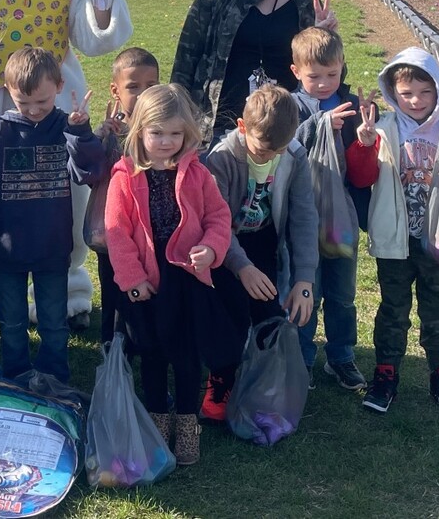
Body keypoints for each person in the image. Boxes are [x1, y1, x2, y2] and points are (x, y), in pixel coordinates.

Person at [346, 48, 439, 415]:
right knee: (393, 309)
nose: (416, 100)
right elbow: (361, 178)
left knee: (437, 310)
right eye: (407, 93)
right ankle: (385, 374)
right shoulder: (383, 131)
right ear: (392, 93)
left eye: (425, 92)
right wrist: (363, 144)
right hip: (395, 241)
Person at [0, 47, 103, 384]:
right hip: (6, 248)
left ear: (59, 86)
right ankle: (16, 374)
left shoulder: (65, 126)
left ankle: (55, 375)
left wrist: (81, 133)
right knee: (12, 320)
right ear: (6, 90)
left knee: (53, 319)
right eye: (23, 103)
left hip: (52, 245)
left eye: (42, 103)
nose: (33, 111)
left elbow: (87, 171)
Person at [105, 84, 232, 466]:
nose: (166, 142)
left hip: (187, 279)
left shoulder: (197, 174)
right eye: (157, 133)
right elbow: (118, 232)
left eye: (175, 134)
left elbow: (218, 217)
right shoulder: (124, 176)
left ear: (187, 133)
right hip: (145, 281)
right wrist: (132, 280)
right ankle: (158, 421)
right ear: (140, 130)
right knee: (153, 353)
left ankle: (187, 425)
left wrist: (210, 249)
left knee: (188, 356)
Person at [170, 0, 337, 148]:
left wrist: (325, 39)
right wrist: (176, 119)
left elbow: (330, 73)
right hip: (219, 127)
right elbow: (185, 60)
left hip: (287, 130)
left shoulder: (308, 2)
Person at [202, 84, 319, 422]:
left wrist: (305, 280)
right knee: (233, 315)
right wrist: (242, 269)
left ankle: (262, 385)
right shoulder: (221, 158)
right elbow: (217, 223)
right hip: (225, 247)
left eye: (278, 150)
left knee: (269, 313)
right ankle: (220, 382)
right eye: (262, 149)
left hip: (264, 241)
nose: (270, 156)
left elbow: (303, 219)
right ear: (242, 127)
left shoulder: (294, 157)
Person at [288, 27, 370, 390]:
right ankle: (301, 359)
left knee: (342, 295)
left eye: (332, 75)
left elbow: (364, 166)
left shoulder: (353, 107)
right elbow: (286, 145)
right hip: (304, 220)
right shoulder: (289, 106)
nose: (324, 84)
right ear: (295, 72)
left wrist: (364, 135)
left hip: (342, 218)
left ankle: (341, 356)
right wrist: (320, 124)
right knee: (307, 292)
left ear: (343, 69)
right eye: (314, 76)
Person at [90, 47, 160, 345]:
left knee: (150, 299)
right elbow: (88, 171)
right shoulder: (109, 133)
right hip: (113, 237)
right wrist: (98, 138)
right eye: (133, 87)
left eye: (151, 86)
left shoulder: (162, 130)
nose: (143, 94)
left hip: (152, 235)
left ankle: (146, 354)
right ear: (115, 89)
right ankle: (113, 360)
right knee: (115, 301)